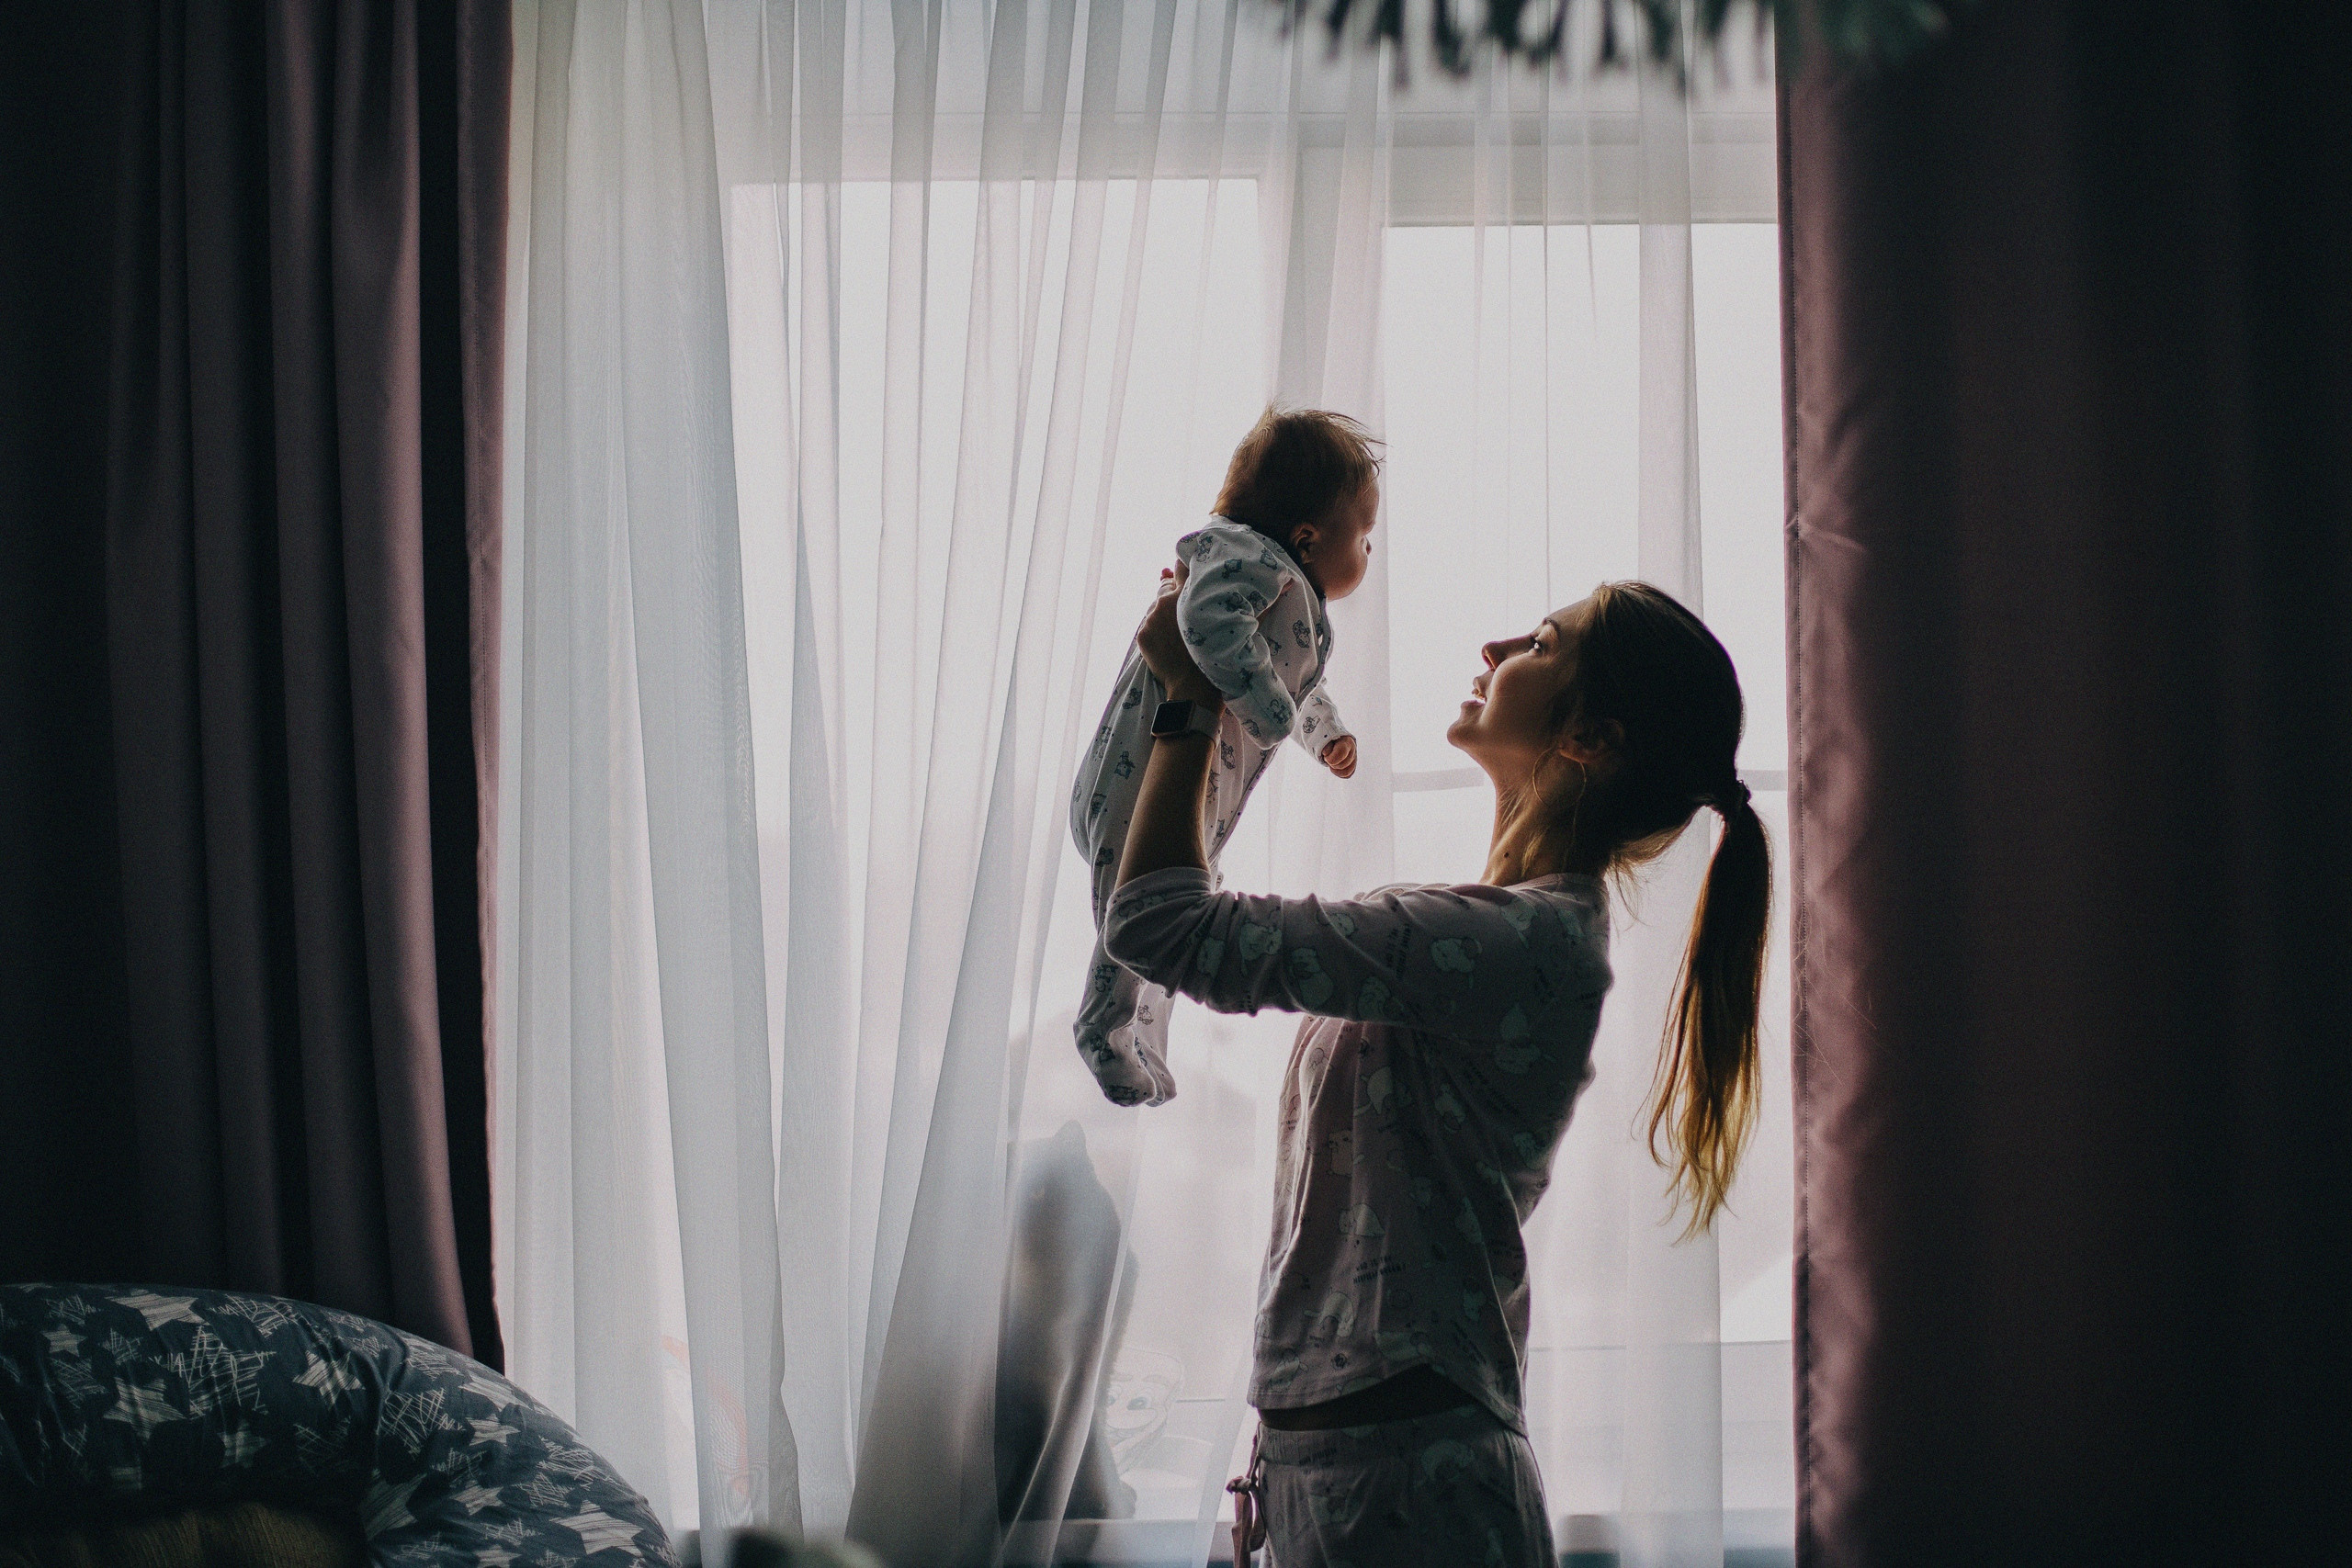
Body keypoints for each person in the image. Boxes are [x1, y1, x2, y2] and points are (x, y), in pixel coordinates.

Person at [1102, 570, 1771, 1567]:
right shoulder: (1483, 938)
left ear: (1589, 739)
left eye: (1541, 643)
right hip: (1346, 1463)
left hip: (1406, 1481)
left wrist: (1190, 701)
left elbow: (1159, 924)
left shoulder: (1517, 946)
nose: (1499, 649)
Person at [1069, 407, 1380, 1108]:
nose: (1368, 554)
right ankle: (1100, 1027)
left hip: (1181, 788)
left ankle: (1142, 1036)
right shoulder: (1246, 558)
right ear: (1307, 537)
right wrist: (1272, 712)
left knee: (1174, 913)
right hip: (1134, 779)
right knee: (1135, 916)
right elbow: (1205, 621)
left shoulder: (1280, 588)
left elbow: (1293, 680)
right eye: (1364, 537)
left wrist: (1321, 730)